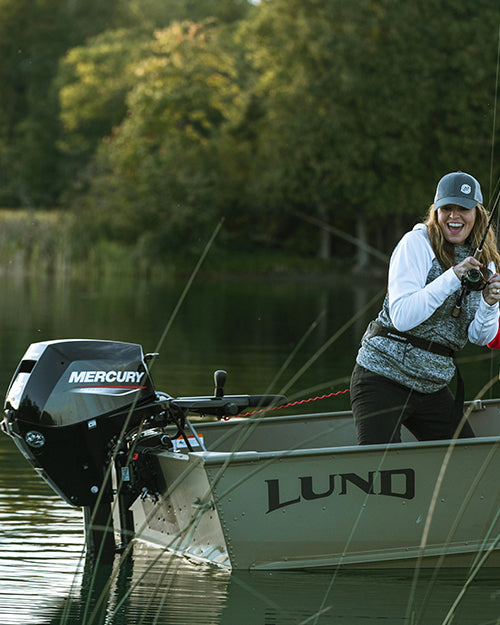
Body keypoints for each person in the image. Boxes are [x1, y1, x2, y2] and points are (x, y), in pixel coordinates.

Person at [350, 171, 500, 445]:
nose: (454, 216)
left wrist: (490, 304)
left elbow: (481, 337)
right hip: (382, 376)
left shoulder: (486, 261)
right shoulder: (416, 243)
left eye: (463, 209)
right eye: (447, 208)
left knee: (464, 460)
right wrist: (452, 277)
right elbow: (403, 317)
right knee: (378, 465)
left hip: (432, 385)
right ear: (436, 212)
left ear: (477, 214)